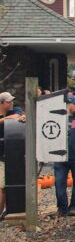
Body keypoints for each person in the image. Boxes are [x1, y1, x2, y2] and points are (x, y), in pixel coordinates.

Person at [0, 92, 26, 220]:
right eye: (8, 102)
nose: (11, 104)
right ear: (1, 103)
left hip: (12, 154)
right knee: (2, 185)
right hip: (1, 154)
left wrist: (20, 117)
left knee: (6, 184)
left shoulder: (16, 110)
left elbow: (20, 114)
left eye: (11, 101)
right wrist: (6, 119)